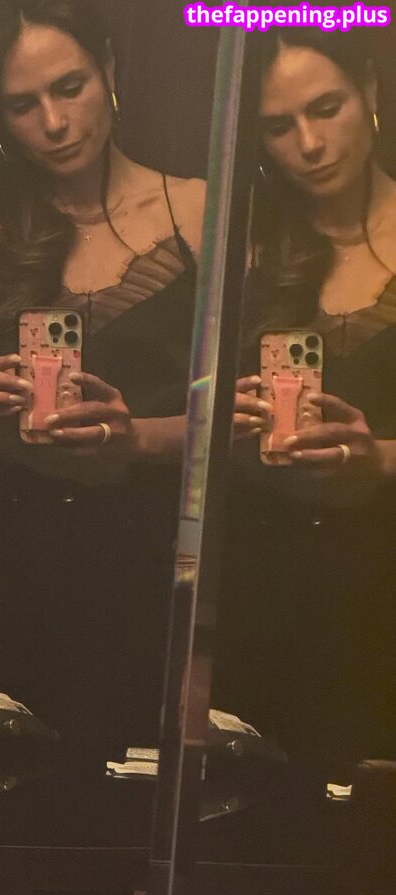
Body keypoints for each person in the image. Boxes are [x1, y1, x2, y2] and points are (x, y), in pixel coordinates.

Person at [0, 0, 263, 761]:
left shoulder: (201, 211)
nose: (54, 122)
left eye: (69, 87)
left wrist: (133, 438)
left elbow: (248, 417)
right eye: (23, 105)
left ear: (107, 69)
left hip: (141, 561)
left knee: (117, 793)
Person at [213, 27, 396, 777]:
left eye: (327, 108)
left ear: (371, 92)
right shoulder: (243, 248)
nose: (310, 144)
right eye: (279, 126)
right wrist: (222, 426)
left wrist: (376, 459)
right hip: (262, 587)